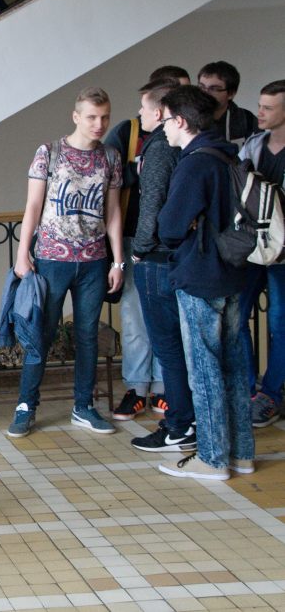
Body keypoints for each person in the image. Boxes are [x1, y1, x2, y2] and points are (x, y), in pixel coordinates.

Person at [8, 87, 123, 439]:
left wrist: (118, 261)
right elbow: (33, 206)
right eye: (91, 117)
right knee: (40, 334)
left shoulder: (111, 157)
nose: (99, 124)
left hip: (94, 261)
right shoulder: (49, 153)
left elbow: (113, 211)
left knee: (88, 335)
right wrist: (22, 253)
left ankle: (83, 406)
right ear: (76, 117)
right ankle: (26, 405)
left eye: (104, 117)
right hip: (51, 260)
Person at [155, 85, 253, 480]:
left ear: (180, 121)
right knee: (234, 367)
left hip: (200, 275)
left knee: (205, 369)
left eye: (165, 120)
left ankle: (212, 459)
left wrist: (180, 224)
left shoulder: (194, 164)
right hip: (233, 272)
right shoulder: (229, 155)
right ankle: (241, 454)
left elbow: (169, 227)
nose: (162, 128)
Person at [127, 79, 198, 453]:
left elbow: (151, 203)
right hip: (181, 255)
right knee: (182, 346)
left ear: (159, 112)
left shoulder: (158, 148)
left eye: (143, 108)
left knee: (168, 347)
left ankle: (178, 425)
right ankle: (187, 421)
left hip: (156, 259)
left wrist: (138, 250)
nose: (139, 114)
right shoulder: (193, 147)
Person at [103, 79, 169, 420]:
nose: (140, 112)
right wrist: (138, 170)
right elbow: (108, 175)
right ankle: (137, 387)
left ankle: (164, 388)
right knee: (134, 317)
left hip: (167, 245)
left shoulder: (178, 141)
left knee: (166, 319)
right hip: (131, 239)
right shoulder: (128, 132)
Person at [237, 80, 285, 428]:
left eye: (268, 107)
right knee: (236, 317)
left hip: (284, 254)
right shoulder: (253, 145)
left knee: (280, 324)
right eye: (260, 105)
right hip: (252, 247)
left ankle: (271, 394)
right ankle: (247, 388)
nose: (260, 113)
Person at [197, 61, 258, 145]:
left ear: (231, 94)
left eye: (214, 89)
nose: (205, 93)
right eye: (201, 87)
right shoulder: (187, 119)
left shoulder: (248, 120)